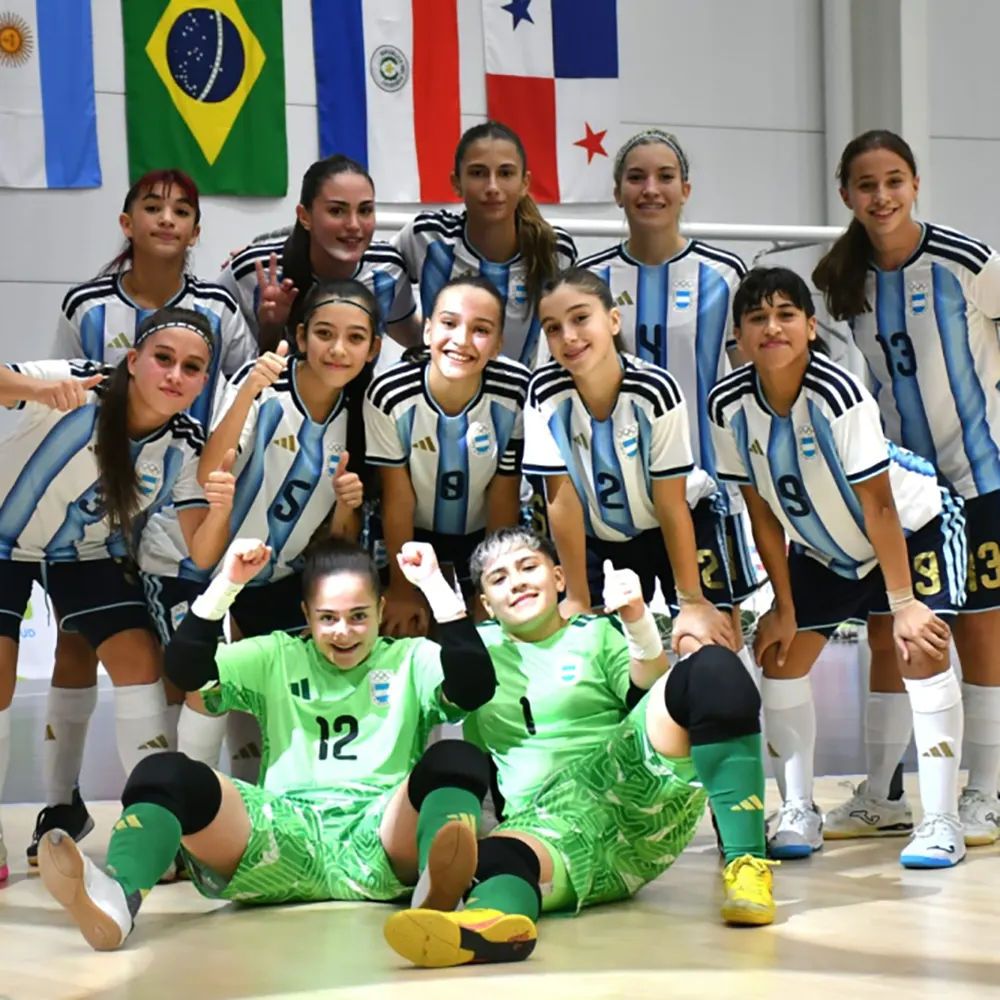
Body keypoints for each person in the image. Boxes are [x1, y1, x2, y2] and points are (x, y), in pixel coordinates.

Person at [37, 536, 497, 952]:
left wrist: (435, 587)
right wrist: (226, 585)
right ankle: (118, 898)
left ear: (380, 609)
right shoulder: (278, 653)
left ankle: (437, 890)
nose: (344, 632)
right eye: (328, 618)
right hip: (283, 836)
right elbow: (185, 670)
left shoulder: (410, 657)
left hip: (382, 836)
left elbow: (475, 685)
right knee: (164, 772)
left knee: (458, 759)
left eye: (359, 617)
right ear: (305, 616)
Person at [383, 525, 772, 969]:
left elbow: (647, 696)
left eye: (529, 567)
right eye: (499, 578)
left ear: (559, 577)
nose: (518, 581)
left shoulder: (596, 633)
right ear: (486, 605)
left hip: (631, 794)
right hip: (547, 830)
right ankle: (485, 926)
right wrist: (433, 584)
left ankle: (747, 865)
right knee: (493, 857)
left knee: (713, 669)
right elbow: (464, 681)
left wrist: (637, 622)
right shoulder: (474, 648)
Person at [30, 171, 257, 865]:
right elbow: (59, 397)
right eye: (151, 207)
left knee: (168, 659)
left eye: (182, 210)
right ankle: (62, 805)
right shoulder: (88, 304)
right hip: (82, 515)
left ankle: (173, 816)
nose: (166, 218)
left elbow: (238, 401)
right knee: (79, 646)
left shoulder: (220, 304)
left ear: (195, 230)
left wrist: (213, 480)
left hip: (178, 495)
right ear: (126, 223)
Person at [708, 266, 966, 867]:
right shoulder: (728, 406)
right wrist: (783, 605)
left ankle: (940, 820)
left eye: (786, 313)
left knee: (917, 648)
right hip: (825, 550)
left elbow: (877, 503)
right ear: (740, 338)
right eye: (756, 317)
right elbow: (760, 512)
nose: (772, 326)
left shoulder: (837, 393)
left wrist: (903, 604)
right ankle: (798, 808)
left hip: (909, 527)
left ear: (809, 326)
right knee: (779, 653)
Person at [0, 309, 236, 882]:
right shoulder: (81, 383)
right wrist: (36, 388)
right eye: (163, 359)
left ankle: (151, 823)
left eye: (192, 367)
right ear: (132, 361)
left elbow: (201, 553)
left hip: (85, 555)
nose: (175, 374)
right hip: (3, 545)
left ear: (204, 382)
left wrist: (222, 506)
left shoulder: (183, 442)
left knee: (139, 663)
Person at [813, 129, 1000, 847]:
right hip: (905, 491)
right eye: (866, 185)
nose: (881, 196)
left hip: (979, 477)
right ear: (847, 196)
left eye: (894, 180)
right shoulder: (842, 282)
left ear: (915, 184)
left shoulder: (965, 260)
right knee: (895, 627)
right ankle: (884, 791)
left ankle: (983, 789)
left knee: (982, 626)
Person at [173, 279, 381, 778]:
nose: (338, 349)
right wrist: (247, 391)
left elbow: (337, 545)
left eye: (355, 338)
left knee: (295, 683)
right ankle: (188, 822)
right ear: (302, 334)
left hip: (278, 576)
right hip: (205, 566)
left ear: (374, 348)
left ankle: (269, 816)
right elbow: (208, 476)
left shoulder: (359, 415)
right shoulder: (265, 381)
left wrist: (348, 506)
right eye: (325, 333)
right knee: (208, 686)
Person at [579, 129, 759, 675]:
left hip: (707, 495)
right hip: (618, 500)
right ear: (617, 192)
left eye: (664, 177)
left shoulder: (725, 275)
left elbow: (751, 378)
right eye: (636, 177)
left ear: (685, 188)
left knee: (718, 651)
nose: (650, 189)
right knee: (623, 659)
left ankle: (728, 755)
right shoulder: (593, 280)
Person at [524, 267, 735, 649]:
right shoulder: (544, 392)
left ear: (613, 320)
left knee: (705, 645)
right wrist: (577, 598)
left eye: (580, 318)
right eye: (553, 328)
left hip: (680, 519)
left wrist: (690, 601)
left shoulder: (655, 390)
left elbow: (671, 504)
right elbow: (562, 500)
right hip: (598, 533)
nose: (568, 336)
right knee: (589, 649)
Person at [364, 275, 529, 636]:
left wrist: (492, 585)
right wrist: (402, 588)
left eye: (481, 330)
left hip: (482, 534)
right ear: (427, 331)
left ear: (499, 344)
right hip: (412, 531)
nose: (462, 340)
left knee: (493, 630)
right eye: (449, 323)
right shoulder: (389, 393)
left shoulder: (516, 390)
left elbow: (503, 495)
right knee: (401, 623)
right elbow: (398, 497)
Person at [393, 121, 577, 372]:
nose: (492, 187)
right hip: (436, 400)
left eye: (505, 173)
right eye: (478, 173)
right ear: (456, 183)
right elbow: (375, 282)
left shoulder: (554, 250)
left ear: (525, 183)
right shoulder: (427, 236)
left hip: (516, 403)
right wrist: (424, 344)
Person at [218, 154, 418, 353]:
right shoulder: (253, 270)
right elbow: (204, 344)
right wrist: (271, 329)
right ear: (304, 217)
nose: (354, 225)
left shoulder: (388, 269)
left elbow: (413, 337)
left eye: (365, 210)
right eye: (336, 211)